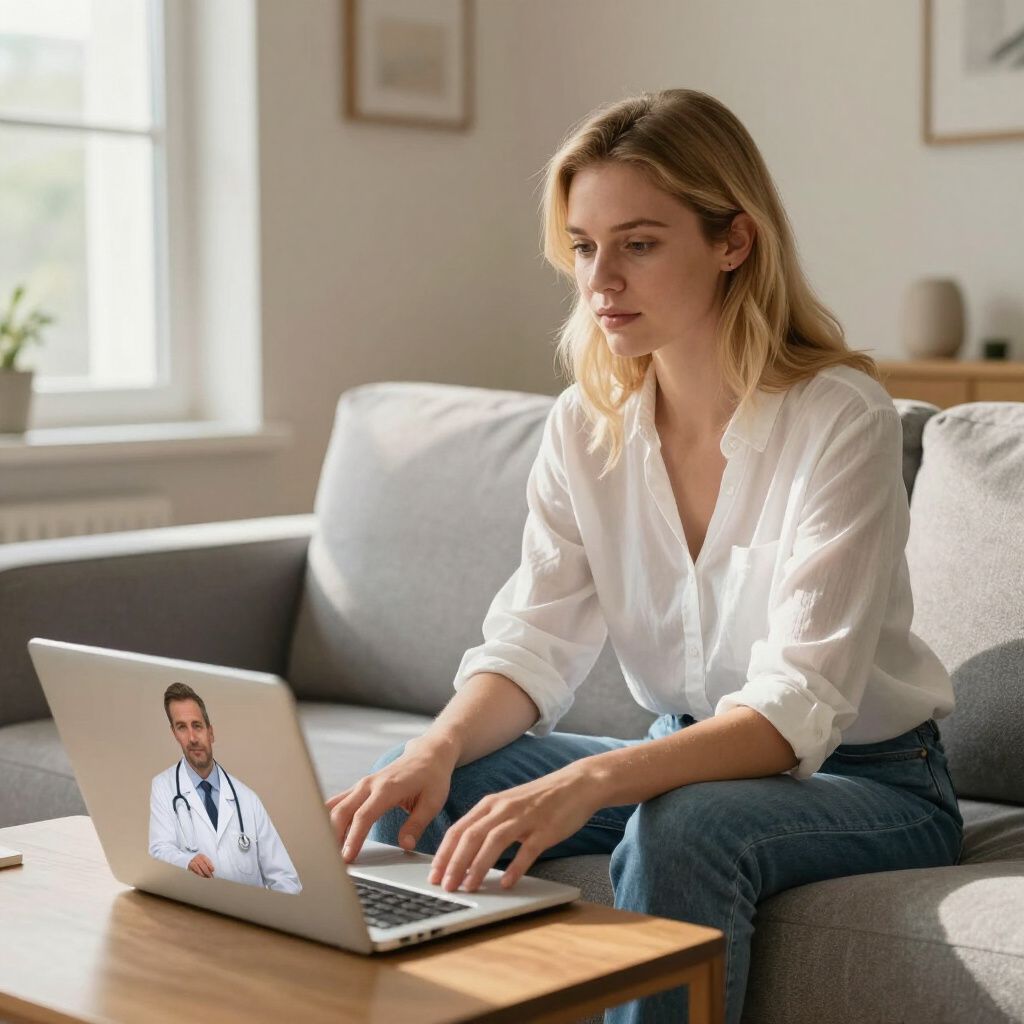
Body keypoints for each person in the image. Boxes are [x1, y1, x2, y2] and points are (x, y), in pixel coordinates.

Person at [322, 89, 963, 1024]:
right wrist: (431, 747)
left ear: (733, 240)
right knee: (414, 791)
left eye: (640, 242)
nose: (600, 279)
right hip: (680, 755)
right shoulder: (587, 427)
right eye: (584, 246)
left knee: (686, 827)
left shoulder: (839, 417)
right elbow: (532, 644)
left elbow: (795, 710)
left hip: (870, 781)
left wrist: (584, 781)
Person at [149, 682, 302, 894]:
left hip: (249, 916)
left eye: (197, 726)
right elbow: (158, 851)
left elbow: (285, 879)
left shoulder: (247, 799)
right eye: (182, 727)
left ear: (211, 733)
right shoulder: (163, 787)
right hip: (197, 911)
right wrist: (186, 861)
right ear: (174, 733)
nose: (192, 738)